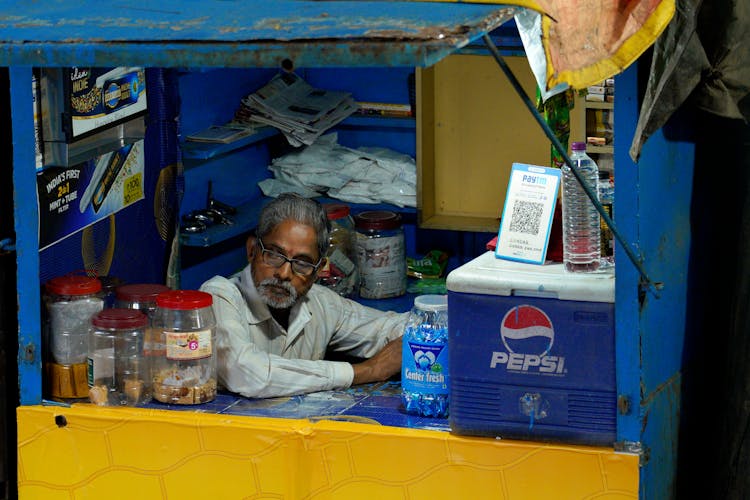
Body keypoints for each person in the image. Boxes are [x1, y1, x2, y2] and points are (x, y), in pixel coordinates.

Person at [200, 193, 407, 399]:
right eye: (274, 255)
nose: (284, 274)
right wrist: (367, 370)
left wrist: (416, 338)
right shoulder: (219, 296)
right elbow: (247, 373)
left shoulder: (321, 303)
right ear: (252, 250)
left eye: (302, 263)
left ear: (318, 271)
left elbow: (396, 327)